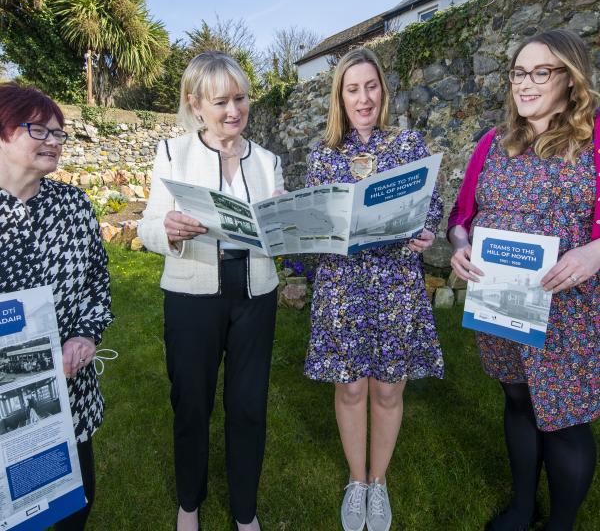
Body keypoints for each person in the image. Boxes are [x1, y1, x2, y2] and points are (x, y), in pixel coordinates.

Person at [448, 29, 600, 531]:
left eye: (541, 71)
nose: (526, 83)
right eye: (519, 72)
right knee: (517, 399)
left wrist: (595, 251)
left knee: (565, 419)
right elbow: (461, 215)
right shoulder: (493, 142)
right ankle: (521, 507)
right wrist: (460, 247)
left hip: (568, 305)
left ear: (570, 78)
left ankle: (560, 525)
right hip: (502, 303)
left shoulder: (594, 136)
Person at [138, 51, 283, 531]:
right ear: (195, 104)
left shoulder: (268, 160)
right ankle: (189, 502)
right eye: (221, 101)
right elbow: (148, 228)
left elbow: (279, 239)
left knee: (248, 405)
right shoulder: (171, 153)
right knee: (192, 402)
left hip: (254, 293)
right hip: (191, 294)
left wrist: (286, 218)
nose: (233, 111)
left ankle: (245, 510)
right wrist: (169, 228)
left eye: (240, 98)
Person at [304, 47, 444, 531]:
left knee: (387, 389)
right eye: (352, 89)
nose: (363, 98)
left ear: (382, 90)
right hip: (343, 287)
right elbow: (314, 226)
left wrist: (426, 229)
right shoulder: (324, 156)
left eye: (371, 86)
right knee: (349, 387)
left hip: (395, 286)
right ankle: (356, 480)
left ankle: (378, 482)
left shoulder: (407, 145)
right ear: (339, 97)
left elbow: (433, 207)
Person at [0, 82, 114, 530]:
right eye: (39, 130)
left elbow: (97, 285)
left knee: (72, 511)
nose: (53, 141)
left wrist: (86, 335)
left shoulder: (73, 206)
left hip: (66, 402)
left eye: (58, 133)